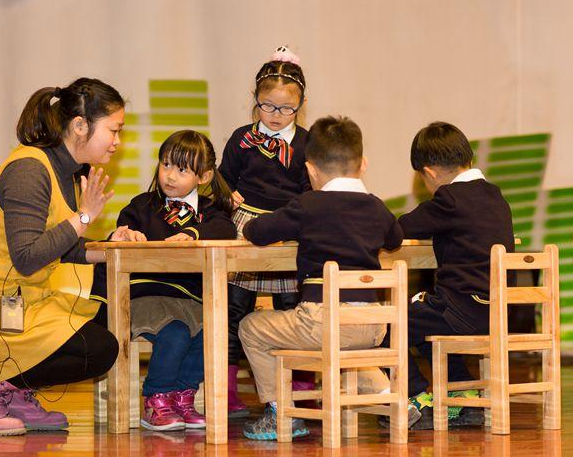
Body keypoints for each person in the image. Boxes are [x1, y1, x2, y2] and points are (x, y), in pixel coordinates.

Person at [0, 77, 127, 435]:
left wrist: (110, 246)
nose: (118, 142)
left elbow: (60, 244)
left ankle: (14, 388)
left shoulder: (68, 172)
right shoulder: (29, 169)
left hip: (22, 303)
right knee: (99, 349)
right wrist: (83, 217)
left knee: (106, 324)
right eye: (114, 130)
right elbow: (27, 257)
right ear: (80, 126)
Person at [238, 115, 411, 440]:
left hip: (323, 321)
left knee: (251, 327)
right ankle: (392, 398)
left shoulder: (308, 205)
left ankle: (279, 414)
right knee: (348, 351)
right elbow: (395, 240)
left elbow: (258, 231)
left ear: (310, 169)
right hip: (373, 325)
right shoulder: (376, 207)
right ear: (363, 164)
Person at [90, 130, 237, 431]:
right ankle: (155, 398)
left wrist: (193, 234)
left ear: (204, 176)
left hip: (190, 300)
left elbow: (226, 230)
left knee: (212, 333)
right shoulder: (142, 205)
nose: (170, 175)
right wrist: (124, 234)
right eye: (166, 164)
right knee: (176, 333)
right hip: (144, 298)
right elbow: (120, 231)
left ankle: (182, 396)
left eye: (182, 169)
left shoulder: (211, 214)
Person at [394, 121, 515, 429]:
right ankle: (465, 395)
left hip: (461, 309)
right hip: (495, 311)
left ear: (430, 172)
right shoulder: (495, 196)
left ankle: (416, 396)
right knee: (424, 316)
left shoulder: (449, 199)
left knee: (391, 322)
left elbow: (401, 228)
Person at [217, 46, 312, 417]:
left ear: (301, 104)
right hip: (246, 226)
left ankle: (301, 394)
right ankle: (227, 392)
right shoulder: (242, 138)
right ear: (254, 101)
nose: (275, 116)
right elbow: (222, 179)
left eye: (286, 109)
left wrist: (299, 219)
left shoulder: (306, 143)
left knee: (296, 312)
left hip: (289, 229)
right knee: (233, 310)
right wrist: (227, 195)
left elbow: (311, 189)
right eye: (267, 106)